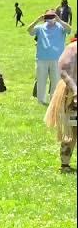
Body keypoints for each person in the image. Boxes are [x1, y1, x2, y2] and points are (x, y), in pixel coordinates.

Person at [45, 37, 77, 170]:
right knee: (71, 128)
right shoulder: (73, 48)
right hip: (71, 93)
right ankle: (65, 163)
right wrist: (75, 90)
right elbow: (64, 71)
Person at [29, 9, 73, 106]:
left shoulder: (60, 27)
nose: (50, 18)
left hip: (57, 59)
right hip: (42, 59)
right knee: (41, 80)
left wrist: (59, 20)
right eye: (48, 16)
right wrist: (37, 20)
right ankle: (41, 101)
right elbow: (29, 31)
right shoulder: (40, 28)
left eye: (52, 16)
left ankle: (54, 100)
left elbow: (69, 30)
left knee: (56, 81)